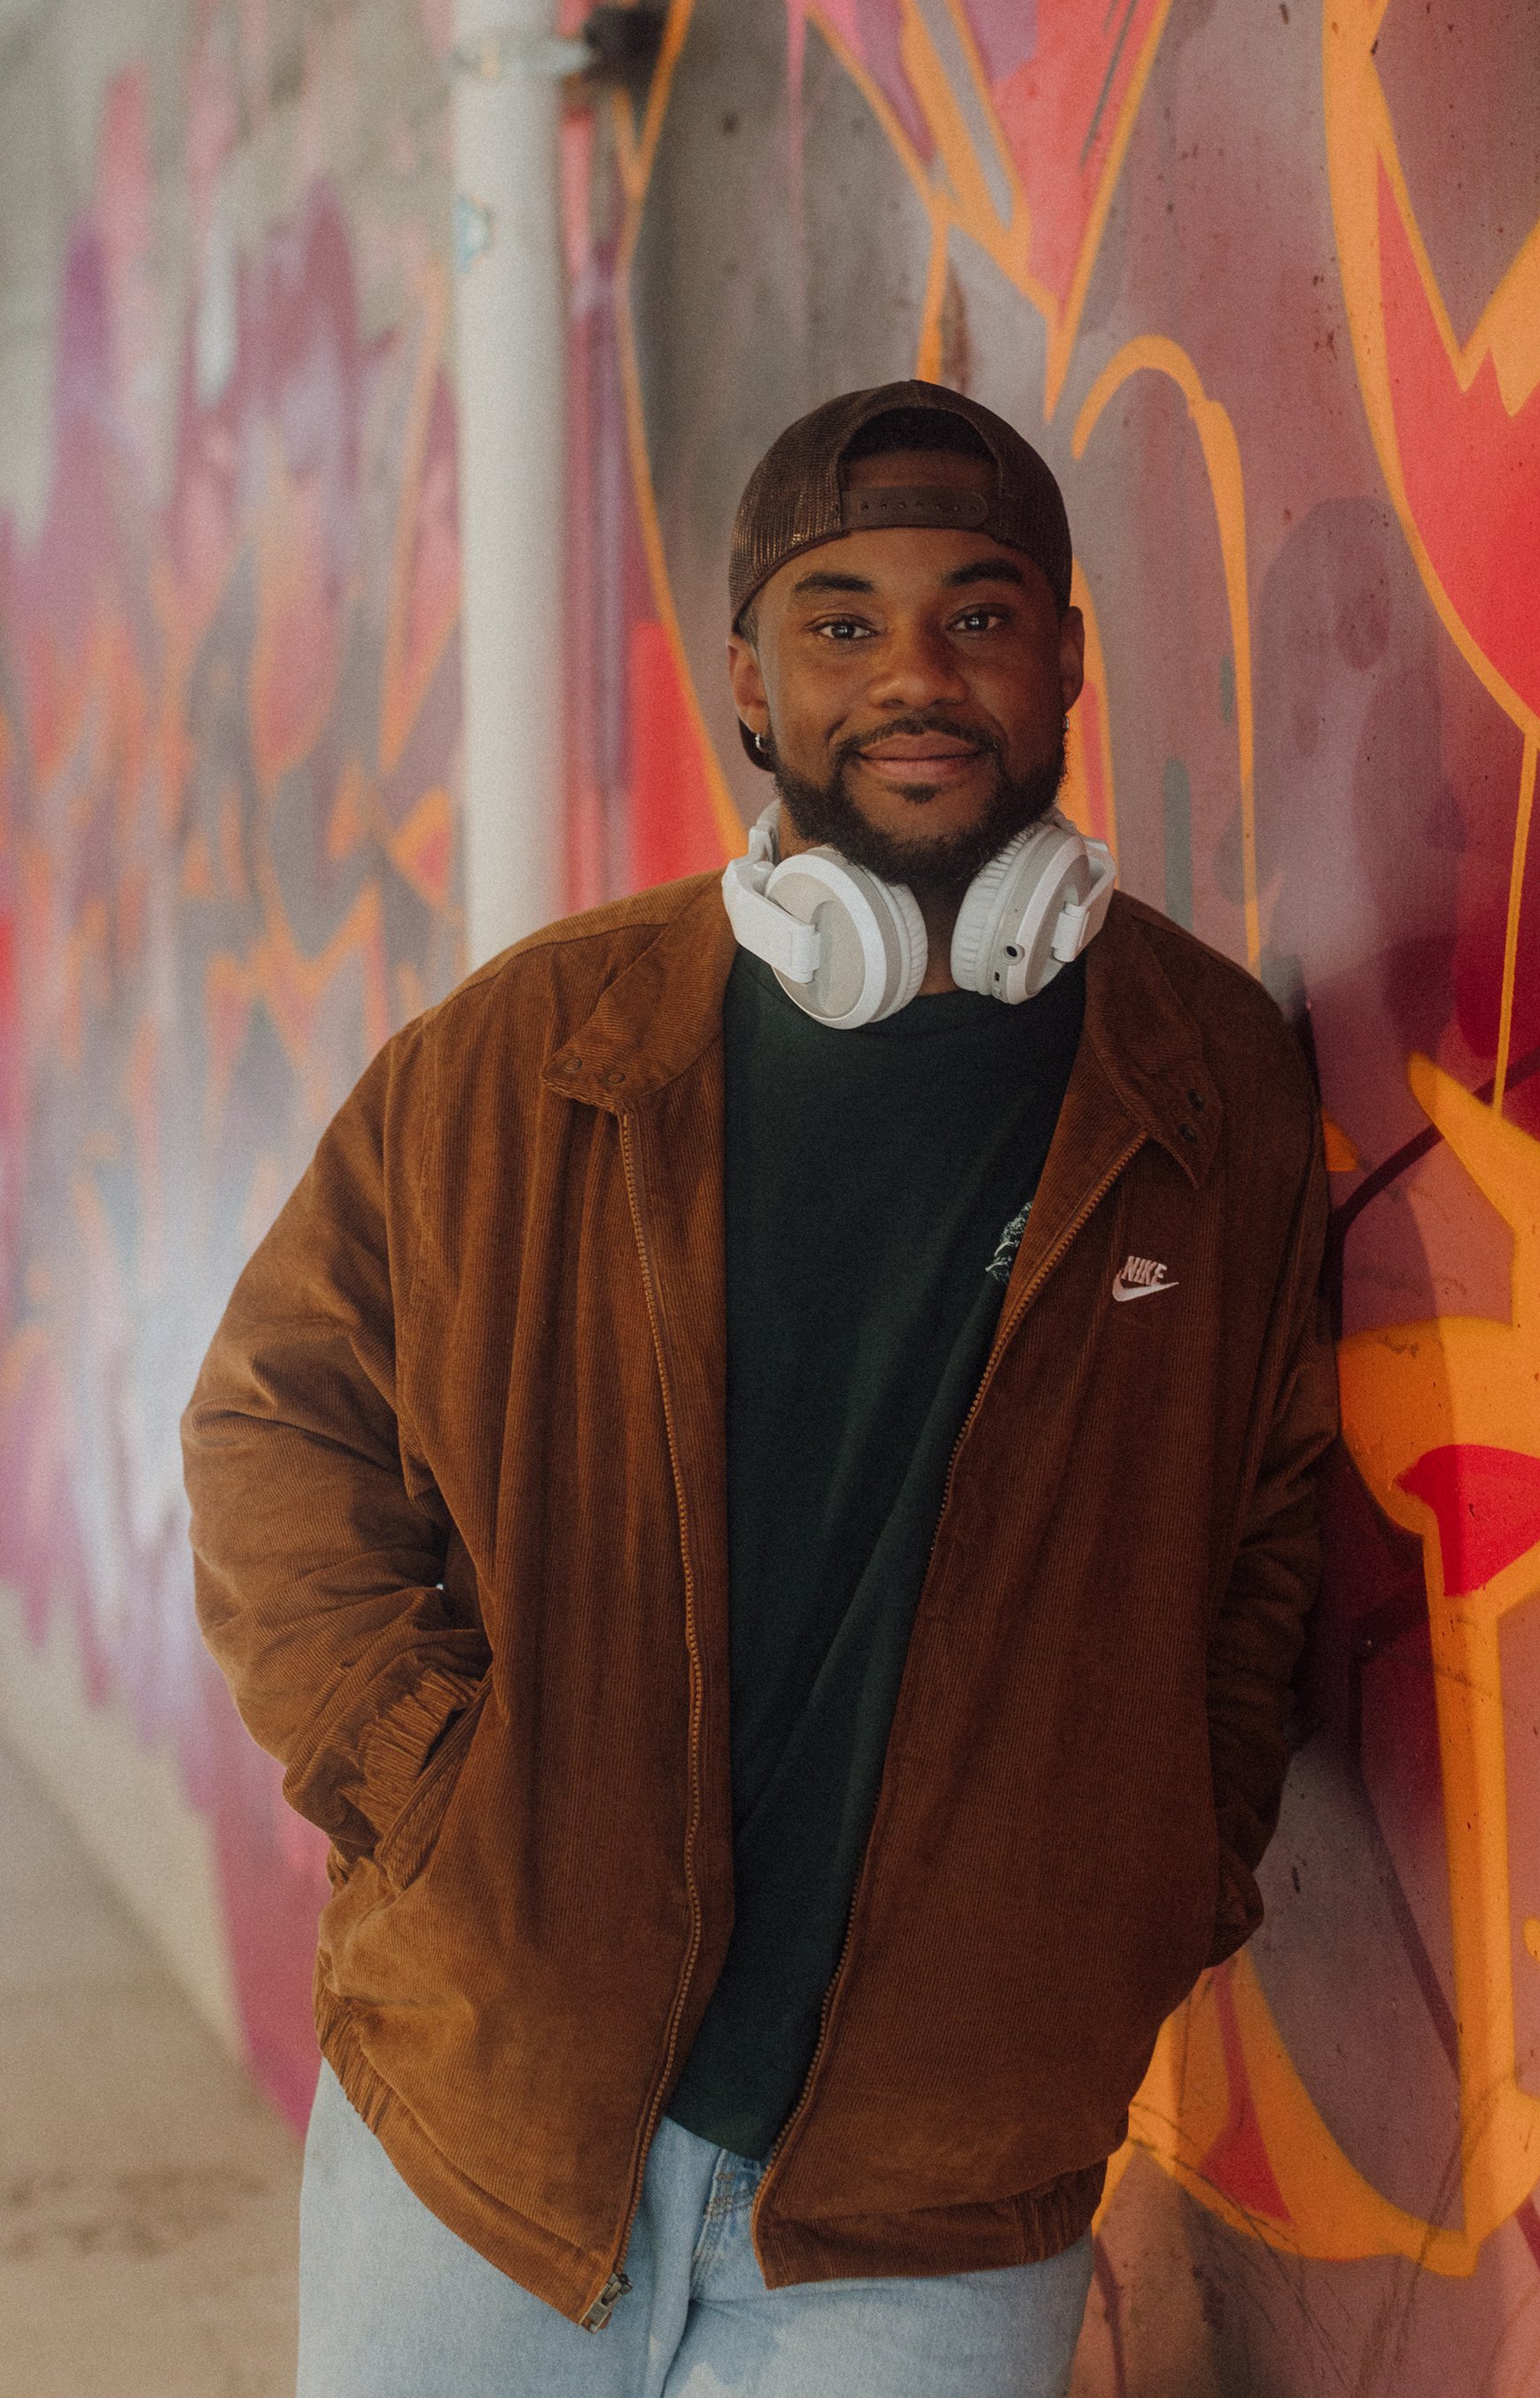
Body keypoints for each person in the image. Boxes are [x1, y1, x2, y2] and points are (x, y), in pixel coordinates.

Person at [184, 379, 1336, 2397]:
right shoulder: (526, 1052)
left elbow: (1268, 1523)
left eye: (978, 614)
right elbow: (276, 1422)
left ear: (1062, 653)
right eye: (840, 618)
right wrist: (428, 1791)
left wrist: (1161, 1856)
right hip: (489, 2120)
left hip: (938, 2180)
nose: (913, 672)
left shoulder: (1207, 1080)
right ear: (747, 680)